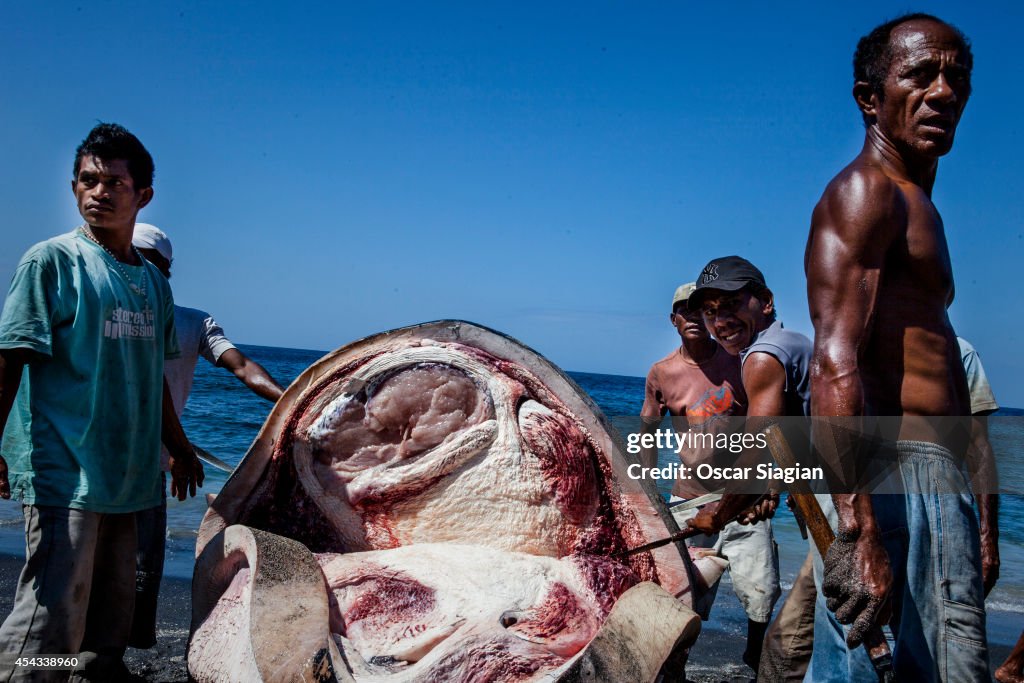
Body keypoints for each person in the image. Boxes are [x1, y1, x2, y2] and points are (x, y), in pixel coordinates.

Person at [803, 13, 987, 680]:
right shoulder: (865, 192)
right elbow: (833, 362)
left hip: (936, 482)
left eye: (957, 77)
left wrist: (976, 517)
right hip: (893, 477)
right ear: (869, 97)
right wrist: (858, 532)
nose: (944, 91)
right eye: (920, 75)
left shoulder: (918, 203)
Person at [0, 123, 203, 681]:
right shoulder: (51, 263)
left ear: (143, 196)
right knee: (51, 617)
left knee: (108, 625)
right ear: (73, 189)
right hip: (66, 470)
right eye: (89, 180)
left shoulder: (153, 285)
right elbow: (11, 358)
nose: (99, 192)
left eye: (114, 182)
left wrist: (179, 448)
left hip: (129, 476)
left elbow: (152, 376)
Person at [128, 223, 284, 649]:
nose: (144, 269)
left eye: (153, 263)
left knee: (143, 566)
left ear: (167, 270)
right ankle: (58, 664)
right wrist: (180, 450)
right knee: (97, 565)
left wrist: (290, 399)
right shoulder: (113, 313)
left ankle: (107, 660)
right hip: (107, 458)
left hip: (152, 461)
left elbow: (241, 366)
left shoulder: (192, 322)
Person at [682, 256, 812, 674]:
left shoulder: (763, 356)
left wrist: (718, 514)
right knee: (793, 647)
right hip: (836, 508)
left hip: (845, 515)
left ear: (766, 302)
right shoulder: (785, 346)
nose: (720, 321)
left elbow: (756, 453)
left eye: (732, 304)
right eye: (710, 311)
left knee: (785, 651)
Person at [640, 282, 778, 672]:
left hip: (744, 502)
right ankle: (675, 668)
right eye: (684, 311)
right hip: (689, 502)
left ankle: (756, 662)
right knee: (682, 595)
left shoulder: (742, 361)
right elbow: (647, 435)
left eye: (701, 310)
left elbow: (768, 424)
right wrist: (643, 497)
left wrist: (771, 485)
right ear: (674, 320)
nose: (694, 318)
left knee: (760, 591)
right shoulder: (662, 372)